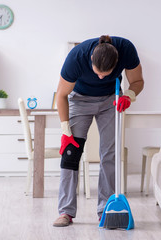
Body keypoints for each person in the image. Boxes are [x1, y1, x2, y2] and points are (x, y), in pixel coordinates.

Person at [53, 35, 144, 227]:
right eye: (97, 73)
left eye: (106, 74)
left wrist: (129, 95)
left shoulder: (126, 49)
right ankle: (66, 212)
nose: (101, 77)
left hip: (112, 99)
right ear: (91, 60)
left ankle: (106, 210)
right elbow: (61, 95)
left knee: (109, 154)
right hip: (80, 99)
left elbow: (137, 81)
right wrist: (65, 131)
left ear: (117, 61)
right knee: (70, 154)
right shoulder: (76, 57)